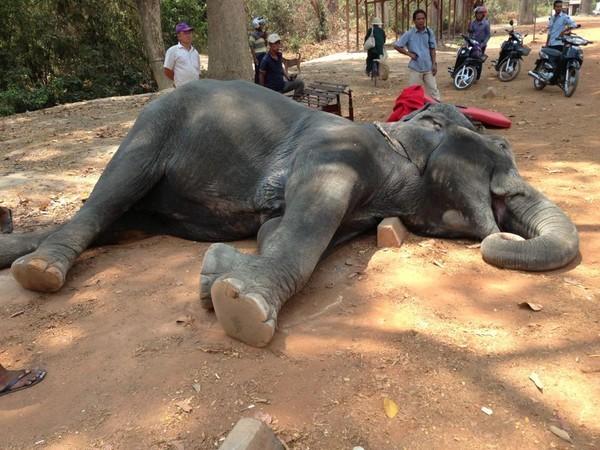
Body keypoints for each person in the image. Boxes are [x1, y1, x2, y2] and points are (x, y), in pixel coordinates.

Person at [393, 9, 441, 101]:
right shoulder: (409, 34)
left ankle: (437, 111)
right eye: (418, 19)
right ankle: (413, 112)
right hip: (415, 68)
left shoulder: (429, 32)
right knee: (412, 93)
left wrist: (434, 64)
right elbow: (397, 46)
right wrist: (409, 54)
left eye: (423, 18)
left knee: (434, 91)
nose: (421, 21)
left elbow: (432, 49)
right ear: (414, 21)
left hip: (428, 67)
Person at [259, 33, 305, 97]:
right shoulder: (265, 60)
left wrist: (288, 77)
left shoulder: (279, 55)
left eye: (278, 43)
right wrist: (263, 91)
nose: (277, 45)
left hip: (282, 85)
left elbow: (280, 68)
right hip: (273, 90)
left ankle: (296, 101)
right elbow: (261, 75)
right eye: (275, 43)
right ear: (270, 45)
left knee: (300, 83)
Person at [163, 22, 201, 88]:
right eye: (185, 33)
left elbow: (197, 71)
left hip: (196, 88)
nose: (188, 35)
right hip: (181, 89)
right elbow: (167, 71)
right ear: (179, 36)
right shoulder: (173, 50)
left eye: (190, 33)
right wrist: (178, 81)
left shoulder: (195, 52)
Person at [249, 16, 269, 84]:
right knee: (258, 72)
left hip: (264, 55)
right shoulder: (253, 35)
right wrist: (255, 58)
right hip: (258, 56)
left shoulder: (262, 34)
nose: (262, 26)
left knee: (265, 71)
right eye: (261, 24)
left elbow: (265, 45)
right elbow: (251, 47)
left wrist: (265, 38)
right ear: (256, 25)